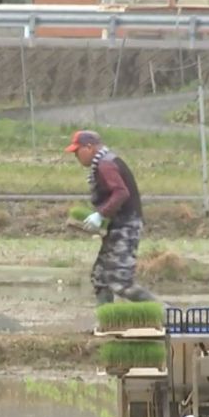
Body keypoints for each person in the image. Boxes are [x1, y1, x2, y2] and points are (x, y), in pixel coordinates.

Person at [63, 130, 157, 305]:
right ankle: (107, 322)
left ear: (89, 147)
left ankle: (169, 315)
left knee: (121, 283)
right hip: (117, 225)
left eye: (77, 151)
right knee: (100, 278)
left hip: (127, 226)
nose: (76, 156)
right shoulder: (104, 161)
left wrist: (100, 215)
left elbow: (121, 192)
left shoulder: (105, 165)